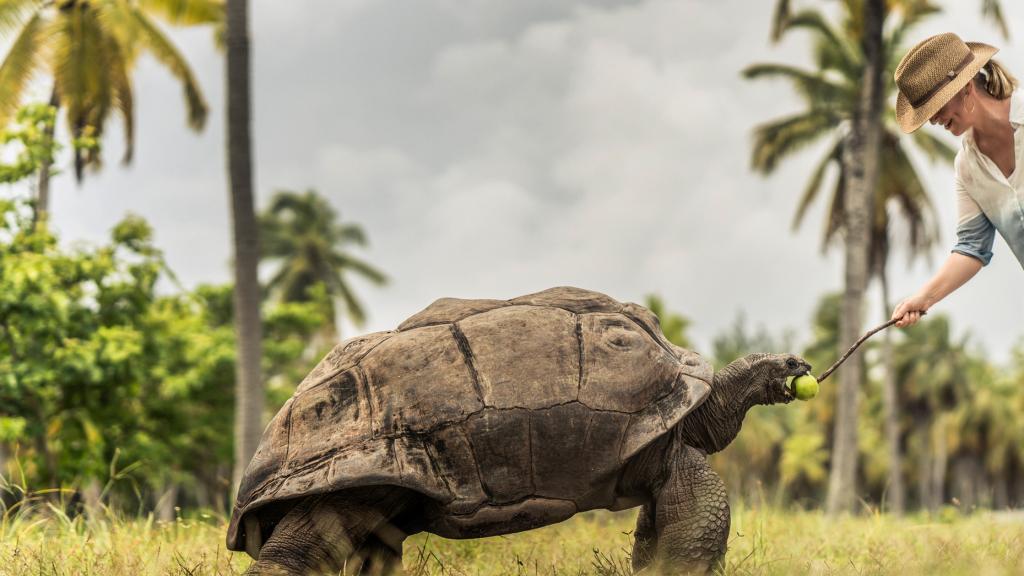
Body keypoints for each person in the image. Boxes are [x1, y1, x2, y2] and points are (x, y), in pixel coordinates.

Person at [890, 32, 1024, 328]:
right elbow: (972, 248)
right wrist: (923, 297)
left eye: (936, 106)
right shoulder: (967, 168)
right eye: (926, 113)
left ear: (964, 86)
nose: (934, 120)